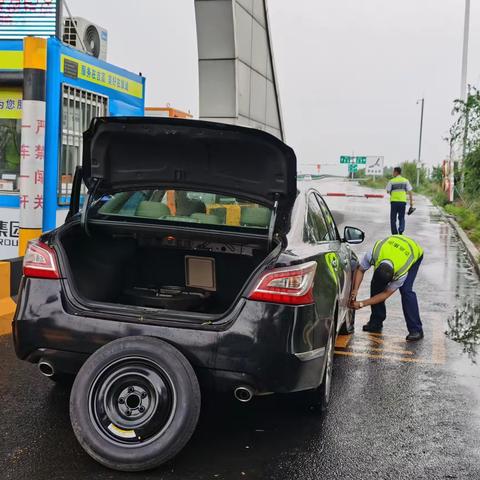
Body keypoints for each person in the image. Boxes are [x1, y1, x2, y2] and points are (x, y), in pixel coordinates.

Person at [349, 234, 424, 341]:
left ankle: (416, 330)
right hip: (393, 243)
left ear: (393, 277)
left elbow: (385, 294)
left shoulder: (401, 271)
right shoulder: (373, 254)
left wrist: (362, 304)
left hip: (413, 252)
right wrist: (355, 289)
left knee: (406, 291)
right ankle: (376, 322)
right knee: (376, 285)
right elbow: (360, 270)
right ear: (377, 264)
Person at [386, 167, 414, 235]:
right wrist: (411, 203)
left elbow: (387, 191)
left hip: (394, 202)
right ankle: (401, 229)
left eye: (393, 172)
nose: (393, 173)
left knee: (393, 219)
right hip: (402, 202)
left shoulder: (391, 181)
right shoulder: (405, 181)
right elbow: (410, 191)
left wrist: (392, 191)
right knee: (401, 217)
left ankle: (394, 233)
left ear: (396, 172)